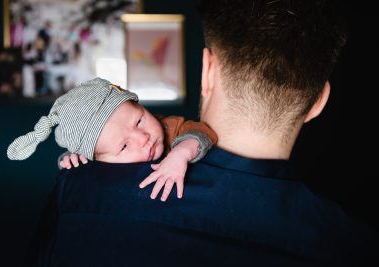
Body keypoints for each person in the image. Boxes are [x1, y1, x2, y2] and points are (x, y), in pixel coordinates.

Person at [29, 0, 377, 266]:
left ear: (207, 71)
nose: (141, 138)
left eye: (137, 122)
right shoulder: (352, 245)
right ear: (318, 101)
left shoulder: (76, 193)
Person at [7, 77, 217, 201]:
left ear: (140, 105)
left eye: (139, 121)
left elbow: (203, 132)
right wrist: (71, 159)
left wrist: (181, 152)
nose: (142, 138)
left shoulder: (172, 127)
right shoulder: (99, 161)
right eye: (124, 146)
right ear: (101, 161)